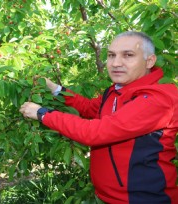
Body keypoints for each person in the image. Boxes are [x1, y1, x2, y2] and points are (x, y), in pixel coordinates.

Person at [19, 31, 178, 203]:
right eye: (111, 55)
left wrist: (42, 114)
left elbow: (95, 133)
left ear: (150, 61)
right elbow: (88, 108)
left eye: (128, 55)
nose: (116, 63)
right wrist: (55, 89)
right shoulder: (116, 90)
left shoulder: (157, 99)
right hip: (111, 198)